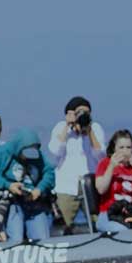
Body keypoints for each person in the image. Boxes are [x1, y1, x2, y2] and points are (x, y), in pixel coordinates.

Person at [0, 128, 56, 243]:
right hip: (13, 203)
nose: (27, 157)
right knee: (16, 238)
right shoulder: (3, 152)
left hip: (34, 202)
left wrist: (39, 189)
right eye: (25, 153)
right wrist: (8, 185)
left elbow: (49, 172)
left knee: (43, 239)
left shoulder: (37, 154)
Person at [48, 96, 105, 233]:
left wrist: (89, 132)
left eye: (87, 112)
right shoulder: (61, 128)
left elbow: (101, 156)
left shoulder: (95, 128)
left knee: (97, 223)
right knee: (62, 226)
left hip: (89, 184)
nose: (83, 115)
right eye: (80, 112)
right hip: (66, 186)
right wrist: (67, 127)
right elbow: (55, 152)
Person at [93, 130, 132, 233]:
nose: (125, 151)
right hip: (108, 213)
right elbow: (101, 189)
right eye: (121, 148)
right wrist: (111, 167)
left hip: (130, 211)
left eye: (128, 148)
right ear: (114, 149)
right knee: (122, 229)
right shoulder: (105, 163)